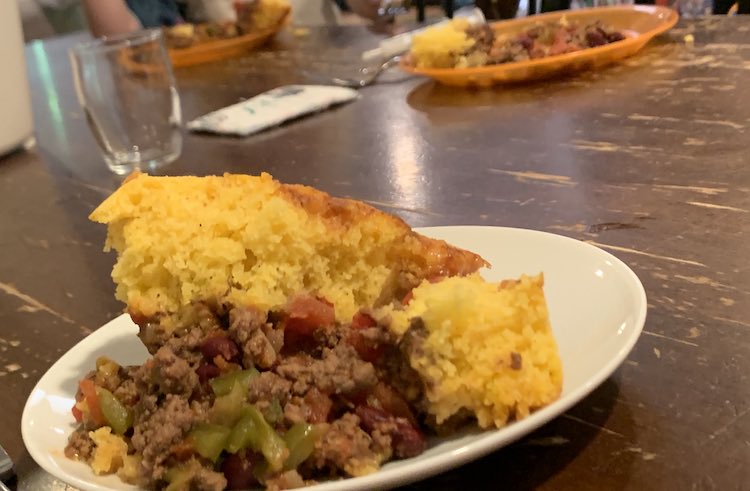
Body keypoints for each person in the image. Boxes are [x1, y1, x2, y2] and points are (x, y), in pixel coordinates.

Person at [83, 0, 384, 37]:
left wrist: (387, 9)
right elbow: (123, 38)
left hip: (329, 84)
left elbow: (382, 9)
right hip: (219, 106)